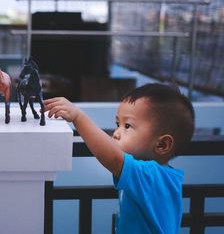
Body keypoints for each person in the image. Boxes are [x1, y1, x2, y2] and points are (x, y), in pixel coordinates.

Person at [44, 83, 194, 233]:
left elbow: (113, 159)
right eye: (117, 124)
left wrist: (78, 117)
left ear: (162, 145)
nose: (116, 133)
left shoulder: (152, 176)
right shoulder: (155, 175)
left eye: (127, 126)